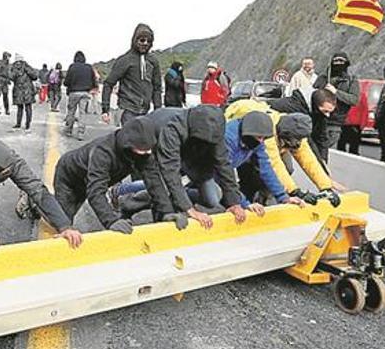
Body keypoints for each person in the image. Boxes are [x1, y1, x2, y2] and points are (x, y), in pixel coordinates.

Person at [112, 106, 244, 226]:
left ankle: (177, 197)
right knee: (162, 188)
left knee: (212, 198)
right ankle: (127, 202)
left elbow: (224, 164)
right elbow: (170, 170)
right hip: (158, 145)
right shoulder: (171, 128)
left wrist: (234, 202)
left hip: (190, 153)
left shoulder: (214, 130)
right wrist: (188, 209)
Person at [53, 117, 184, 233]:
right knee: (63, 221)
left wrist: (167, 211)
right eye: (141, 151)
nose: (146, 153)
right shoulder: (102, 153)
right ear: (129, 145)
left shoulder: (142, 152)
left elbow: (153, 181)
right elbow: (95, 191)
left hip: (87, 177)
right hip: (69, 178)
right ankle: (42, 208)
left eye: (148, 150)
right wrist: (111, 221)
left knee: (69, 211)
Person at [226, 99, 343, 204]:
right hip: (245, 139)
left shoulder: (296, 129)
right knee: (254, 174)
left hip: (270, 140)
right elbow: (273, 165)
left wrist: (325, 187)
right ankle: (246, 199)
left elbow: (308, 160)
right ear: (284, 136)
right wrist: (295, 192)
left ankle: (266, 196)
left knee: (288, 168)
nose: (295, 146)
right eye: (291, 144)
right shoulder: (266, 134)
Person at [101, 23, 162, 126]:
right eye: (142, 40)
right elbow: (108, 83)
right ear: (135, 40)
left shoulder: (153, 61)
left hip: (145, 112)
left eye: (148, 41)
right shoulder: (125, 60)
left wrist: (158, 112)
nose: (145, 43)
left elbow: (157, 88)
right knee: (129, 141)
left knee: (144, 141)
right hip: (127, 110)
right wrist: (105, 110)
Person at [270, 87, 338, 162]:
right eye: (325, 111)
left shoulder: (321, 114)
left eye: (329, 112)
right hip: (271, 138)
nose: (327, 115)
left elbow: (321, 138)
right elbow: (308, 140)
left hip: (288, 142)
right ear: (316, 105)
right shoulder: (291, 106)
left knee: (289, 169)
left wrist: (323, 160)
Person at [313, 52, 360, 159]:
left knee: (328, 152)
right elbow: (313, 93)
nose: (338, 63)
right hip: (319, 119)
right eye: (336, 61)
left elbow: (354, 100)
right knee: (316, 151)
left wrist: (336, 92)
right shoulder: (323, 77)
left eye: (341, 61)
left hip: (336, 121)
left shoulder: (351, 80)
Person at [63, 51, 97, 140]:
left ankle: (68, 130)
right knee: (82, 113)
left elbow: (66, 82)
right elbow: (94, 81)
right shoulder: (89, 67)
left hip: (73, 93)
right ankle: (80, 133)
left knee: (71, 111)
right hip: (85, 93)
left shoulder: (72, 67)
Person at [10, 54, 38, 131]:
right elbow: (11, 77)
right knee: (21, 108)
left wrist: (27, 70)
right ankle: (20, 124)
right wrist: (16, 72)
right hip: (19, 90)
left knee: (27, 107)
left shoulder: (27, 67)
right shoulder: (14, 67)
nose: (19, 63)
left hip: (26, 90)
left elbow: (35, 76)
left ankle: (27, 124)